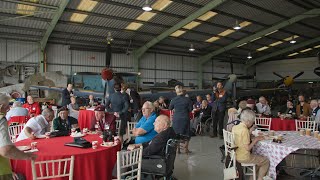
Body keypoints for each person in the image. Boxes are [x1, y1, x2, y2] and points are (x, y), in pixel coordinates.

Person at [0, 93, 37, 179]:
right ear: (1, 107)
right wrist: (27, 156)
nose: (9, 108)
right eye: (7, 106)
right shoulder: (1, 118)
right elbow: (5, 150)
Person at [232, 109, 270, 180]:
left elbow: (240, 138)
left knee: (259, 160)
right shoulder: (245, 130)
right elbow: (248, 148)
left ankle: (252, 178)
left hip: (236, 154)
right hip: (244, 157)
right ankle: (260, 178)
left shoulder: (235, 127)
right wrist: (256, 139)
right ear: (248, 121)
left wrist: (249, 133)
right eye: (252, 122)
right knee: (265, 161)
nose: (252, 124)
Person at [169, 85, 193, 153]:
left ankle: (177, 150)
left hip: (176, 118)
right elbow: (190, 109)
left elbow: (170, 108)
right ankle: (186, 149)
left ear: (176, 92)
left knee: (176, 134)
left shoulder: (173, 100)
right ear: (183, 91)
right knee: (187, 134)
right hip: (185, 118)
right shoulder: (187, 99)